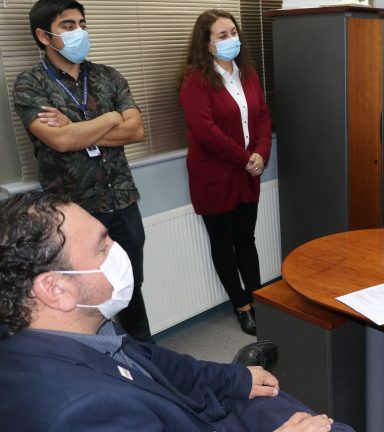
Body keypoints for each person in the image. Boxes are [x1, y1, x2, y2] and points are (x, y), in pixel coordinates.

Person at [0, 192, 352, 432]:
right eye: (102, 245)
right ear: (55, 290)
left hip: (191, 411)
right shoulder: (80, 412)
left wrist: (233, 378)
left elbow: (159, 363)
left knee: (276, 396)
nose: (118, 249)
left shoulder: (85, 327)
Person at [12, 0, 153, 342]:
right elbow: (60, 141)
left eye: (82, 24)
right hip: (72, 210)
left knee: (129, 284)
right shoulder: (30, 84)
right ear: (43, 36)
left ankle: (144, 352)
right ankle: (100, 358)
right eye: (68, 25)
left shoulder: (108, 76)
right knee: (83, 295)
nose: (80, 32)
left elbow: (136, 130)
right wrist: (110, 118)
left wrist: (76, 128)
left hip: (121, 198)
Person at [179, 9, 271, 336]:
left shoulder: (248, 74)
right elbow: (206, 132)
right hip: (215, 176)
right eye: (222, 35)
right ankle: (241, 306)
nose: (231, 39)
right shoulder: (195, 80)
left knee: (247, 240)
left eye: (233, 32)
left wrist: (261, 153)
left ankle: (259, 299)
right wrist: (246, 158)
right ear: (206, 43)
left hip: (248, 173)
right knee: (223, 243)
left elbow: (262, 116)